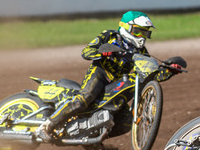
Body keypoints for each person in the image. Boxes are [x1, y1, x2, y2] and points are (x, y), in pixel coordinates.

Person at [36, 11, 184, 142]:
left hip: (117, 83)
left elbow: (150, 76)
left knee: (126, 122)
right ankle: (46, 126)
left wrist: (169, 71)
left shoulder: (142, 52)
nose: (142, 36)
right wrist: (103, 52)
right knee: (83, 99)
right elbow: (86, 52)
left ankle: (93, 139)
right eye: (138, 31)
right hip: (100, 73)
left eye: (145, 33)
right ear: (127, 27)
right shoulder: (110, 36)